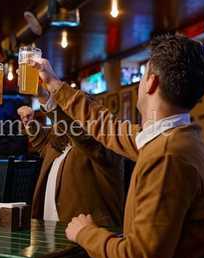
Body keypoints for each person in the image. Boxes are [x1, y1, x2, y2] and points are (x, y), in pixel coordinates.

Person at [13, 34, 204, 258]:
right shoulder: (178, 139)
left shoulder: (167, 156)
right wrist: (56, 88)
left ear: (150, 83)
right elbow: (106, 127)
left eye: (143, 74)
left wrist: (86, 233)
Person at [17, 86, 124, 227]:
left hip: (89, 237)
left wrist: (46, 100)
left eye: (65, 111)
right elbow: (42, 144)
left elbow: (81, 135)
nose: (60, 118)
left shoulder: (101, 144)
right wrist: (30, 123)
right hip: (51, 230)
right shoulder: (60, 145)